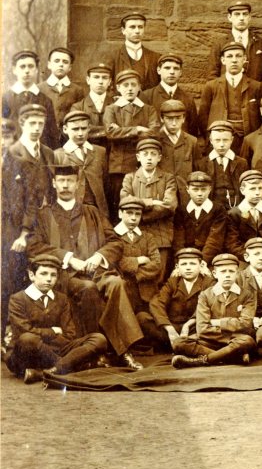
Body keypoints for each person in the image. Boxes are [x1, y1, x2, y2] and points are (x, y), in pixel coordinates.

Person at [25, 164, 144, 369]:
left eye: (70, 181)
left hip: (96, 271)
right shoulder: (44, 215)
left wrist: (98, 256)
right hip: (63, 275)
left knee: (116, 283)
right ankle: (97, 351)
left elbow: (115, 242)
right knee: (88, 289)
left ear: (78, 184)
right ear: (54, 184)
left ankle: (124, 350)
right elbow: (34, 246)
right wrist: (68, 258)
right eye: (61, 181)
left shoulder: (92, 212)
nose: (65, 185)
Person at [5, 255, 108, 384]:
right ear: (32, 275)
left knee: (98, 339)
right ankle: (70, 367)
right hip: (27, 354)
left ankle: (47, 372)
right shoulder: (18, 299)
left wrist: (48, 337)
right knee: (28, 339)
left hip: (56, 350)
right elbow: (23, 331)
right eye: (43, 273)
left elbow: (69, 333)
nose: (49, 279)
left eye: (53, 275)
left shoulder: (62, 299)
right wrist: (53, 332)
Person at [171, 253, 257, 369]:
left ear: (237, 273)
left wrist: (217, 322)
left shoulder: (247, 295)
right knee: (179, 343)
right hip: (210, 341)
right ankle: (232, 357)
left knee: (248, 341)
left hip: (234, 339)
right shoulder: (205, 295)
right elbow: (202, 329)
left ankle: (203, 360)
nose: (227, 275)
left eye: (231, 271)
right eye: (223, 272)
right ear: (215, 274)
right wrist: (232, 325)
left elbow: (246, 324)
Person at [104, 69, 160, 217]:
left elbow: (154, 132)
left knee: (141, 202)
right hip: (119, 166)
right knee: (120, 204)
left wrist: (121, 131)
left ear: (139, 87)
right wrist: (138, 130)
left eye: (133, 85)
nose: (129, 88)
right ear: (118, 88)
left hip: (141, 165)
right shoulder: (111, 109)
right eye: (125, 85)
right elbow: (110, 133)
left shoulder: (148, 109)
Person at [120, 137, 178, 280]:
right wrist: (152, 202)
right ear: (138, 157)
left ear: (159, 158)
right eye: (145, 154)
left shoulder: (168, 178)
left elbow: (169, 206)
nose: (149, 158)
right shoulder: (130, 178)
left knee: (158, 277)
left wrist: (138, 212)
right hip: (136, 236)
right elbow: (124, 202)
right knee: (135, 276)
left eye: (153, 154)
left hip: (161, 236)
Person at [139, 247, 214, 352]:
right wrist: (169, 328)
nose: (188, 268)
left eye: (192, 264)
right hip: (173, 327)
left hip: (194, 327)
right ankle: (177, 344)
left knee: (209, 326)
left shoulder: (208, 283)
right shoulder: (173, 282)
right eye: (184, 264)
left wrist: (188, 325)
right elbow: (157, 303)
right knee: (142, 318)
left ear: (201, 266)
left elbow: (207, 307)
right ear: (177, 267)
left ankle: (178, 345)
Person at [197, 41, 262, 149]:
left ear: (244, 59)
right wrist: (211, 138)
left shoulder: (256, 87)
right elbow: (203, 117)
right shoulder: (211, 86)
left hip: (247, 141)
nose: (234, 60)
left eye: (238, 56)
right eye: (229, 56)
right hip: (221, 141)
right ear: (223, 60)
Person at [207, 1, 262, 94]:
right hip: (227, 95)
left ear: (249, 17)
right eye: (237, 14)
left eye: (245, 14)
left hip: (253, 96)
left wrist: (260, 90)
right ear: (229, 17)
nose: (241, 18)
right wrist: (222, 92)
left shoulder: (260, 43)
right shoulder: (220, 43)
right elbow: (212, 74)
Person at [111, 196, 163, 314]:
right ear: (120, 213)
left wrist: (133, 274)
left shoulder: (148, 237)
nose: (133, 218)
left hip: (147, 292)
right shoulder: (112, 236)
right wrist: (138, 260)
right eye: (129, 213)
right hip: (124, 292)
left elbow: (156, 264)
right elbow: (115, 262)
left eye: (137, 214)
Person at [55, 109, 109, 219]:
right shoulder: (57, 155)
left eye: (83, 128)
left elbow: (106, 183)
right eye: (75, 129)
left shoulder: (100, 152)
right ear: (65, 129)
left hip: (98, 211)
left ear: (89, 128)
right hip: (71, 212)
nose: (80, 133)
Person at [3, 50, 60, 149]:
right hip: (13, 151)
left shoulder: (45, 100)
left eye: (30, 66)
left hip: (39, 151)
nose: (26, 71)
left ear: (36, 69)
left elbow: (52, 133)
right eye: (22, 66)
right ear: (14, 70)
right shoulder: (6, 98)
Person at [142, 54, 201, 139]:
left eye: (176, 68)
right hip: (156, 147)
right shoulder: (146, 96)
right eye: (167, 68)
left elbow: (192, 131)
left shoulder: (188, 98)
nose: (172, 72)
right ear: (159, 70)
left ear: (180, 72)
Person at [173, 171, 226, 264]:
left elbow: (215, 240)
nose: (200, 194)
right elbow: (178, 241)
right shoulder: (181, 210)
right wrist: (182, 261)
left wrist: (203, 261)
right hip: (185, 258)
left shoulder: (218, 210)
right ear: (187, 189)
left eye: (203, 189)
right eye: (195, 189)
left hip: (209, 259)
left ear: (209, 189)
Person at [155, 99, 202, 205]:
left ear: (184, 118)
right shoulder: (155, 140)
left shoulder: (192, 141)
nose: (174, 123)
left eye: (178, 118)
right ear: (162, 118)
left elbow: (197, 169)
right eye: (169, 119)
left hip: (185, 196)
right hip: (163, 195)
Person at [203, 120, 249, 210]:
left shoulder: (242, 163)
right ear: (211, 140)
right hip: (212, 211)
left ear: (232, 140)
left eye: (225, 140)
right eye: (217, 140)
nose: (221, 145)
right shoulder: (202, 164)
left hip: (236, 209)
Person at [109, 12, 161, 91]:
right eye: (132, 27)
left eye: (140, 27)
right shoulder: (113, 57)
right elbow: (106, 84)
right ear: (123, 30)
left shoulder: (155, 57)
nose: (137, 31)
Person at [39, 46, 86, 129]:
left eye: (65, 62)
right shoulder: (39, 88)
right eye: (57, 61)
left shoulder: (77, 90)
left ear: (70, 67)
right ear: (49, 65)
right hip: (45, 134)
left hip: (68, 135)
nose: (61, 64)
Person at [70, 61, 115, 146]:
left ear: (109, 82)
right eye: (96, 77)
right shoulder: (78, 107)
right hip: (88, 153)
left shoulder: (116, 104)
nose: (100, 81)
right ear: (88, 80)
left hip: (113, 153)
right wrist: (110, 130)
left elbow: (123, 129)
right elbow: (79, 131)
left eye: (104, 78)